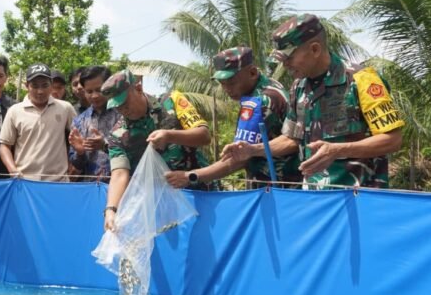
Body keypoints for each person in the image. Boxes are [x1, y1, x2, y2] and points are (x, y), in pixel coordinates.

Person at [223, 14, 404, 189]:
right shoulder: (299, 87)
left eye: (289, 57)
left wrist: (338, 150)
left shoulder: (362, 79)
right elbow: (292, 138)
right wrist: (254, 149)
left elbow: (393, 139)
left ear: (315, 49)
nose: (285, 65)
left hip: (359, 198)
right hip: (313, 197)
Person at [164, 47, 301, 189]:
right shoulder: (271, 85)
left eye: (231, 82)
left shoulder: (258, 102)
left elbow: (238, 158)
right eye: (222, 83)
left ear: (252, 73)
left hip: (275, 188)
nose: (227, 89)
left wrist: (191, 176)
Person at [101, 70, 212, 231]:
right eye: (117, 106)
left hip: (199, 194)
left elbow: (204, 135)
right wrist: (111, 210)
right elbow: (119, 174)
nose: (123, 109)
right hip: (160, 209)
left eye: (125, 102)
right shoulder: (117, 135)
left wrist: (170, 136)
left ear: (138, 88)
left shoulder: (172, 101)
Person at [0, 63, 77, 181]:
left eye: (45, 85)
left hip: (58, 182)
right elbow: (5, 145)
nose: (40, 91)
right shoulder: (14, 111)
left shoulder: (65, 108)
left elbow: (79, 137)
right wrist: (12, 169)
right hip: (25, 181)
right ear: (27, 86)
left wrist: (76, 162)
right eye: (34, 86)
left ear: (51, 85)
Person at [68, 65, 120, 181]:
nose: (94, 96)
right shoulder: (79, 121)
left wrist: (105, 145)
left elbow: (134, 150)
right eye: (89, 91)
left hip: (121, 184)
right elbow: (76, 165)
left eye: (99, 90)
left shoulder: (123, 113)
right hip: (89, 187)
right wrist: (80, 153)